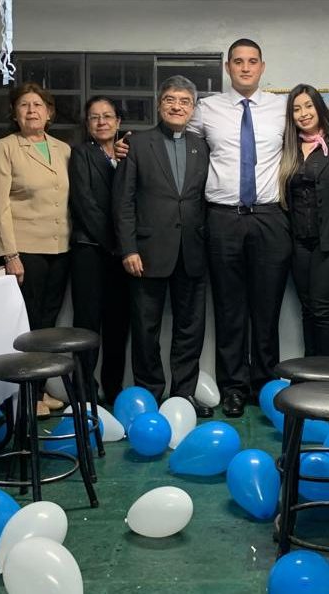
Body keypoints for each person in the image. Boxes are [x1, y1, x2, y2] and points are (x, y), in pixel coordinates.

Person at [188, 39, 289, 418]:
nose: (245, 68)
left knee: (266, 309)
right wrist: (130, 148)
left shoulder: (282, 108)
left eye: (252, 62)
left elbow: (317, 137)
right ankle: (233, 387)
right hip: (222, 217)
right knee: (229, 310)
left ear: (263, 67)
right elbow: (175, 134)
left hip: (269, 217)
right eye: (238, 62)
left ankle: (265, 387)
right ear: (228, 68)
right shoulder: (207, 109)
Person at [114, 76, 212, 417]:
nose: (177, 106)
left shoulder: (203, 145)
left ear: (193, 108)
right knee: (145, 329)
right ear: (159, 104)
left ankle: (182, 395)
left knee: (190, 329)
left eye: (185, 101)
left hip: (193, 253)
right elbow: (123, 201)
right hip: (146, 253)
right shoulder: (137, 144)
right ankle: (149, 396)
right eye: (170, 99)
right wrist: (128, 249)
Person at [0, 82, 71, 417]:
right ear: (14, 113)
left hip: (60, 247)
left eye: (38, 105)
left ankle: (40, 391)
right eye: (24, 105)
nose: (32, 110)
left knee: (48, 323)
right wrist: (9, 254)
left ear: (49, 113)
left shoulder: (63, 149)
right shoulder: (6, 147)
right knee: (29, 324)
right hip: (25, 251)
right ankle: (27, 397)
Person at [278, 84, 329, 357]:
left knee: (322, 309)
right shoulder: (287, 148)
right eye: (296, 109)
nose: (303, 113)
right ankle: (309, 375)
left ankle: (328, 379)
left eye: (308, 106)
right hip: (298, 243)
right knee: (307, 309)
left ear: (319, 108)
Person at [68, 96, 131, 406]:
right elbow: (85, 204)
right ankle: (84, 391)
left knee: (118, 325)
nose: (102, 122)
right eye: (94, 117)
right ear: (87, 124)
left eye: (108, 116)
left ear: (118, 122)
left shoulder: (127, 154)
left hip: (121, 256)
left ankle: (114, 389)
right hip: (91, 251)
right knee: (87, 325)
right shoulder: (80, 154)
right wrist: (118, 243)